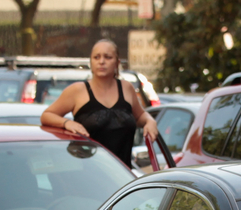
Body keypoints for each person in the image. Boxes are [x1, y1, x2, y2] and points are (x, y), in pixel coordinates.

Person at [41, 39, 159, 167]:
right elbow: (47, 115)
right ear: (91, 62)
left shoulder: (126, 88)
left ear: (117, 63)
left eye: (108, 57)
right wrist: (67, 123)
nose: (101, 61)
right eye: (96, 57)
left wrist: (150, 121)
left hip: (123, 177)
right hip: (89, 176)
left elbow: (140, 116)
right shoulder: (77, 90)